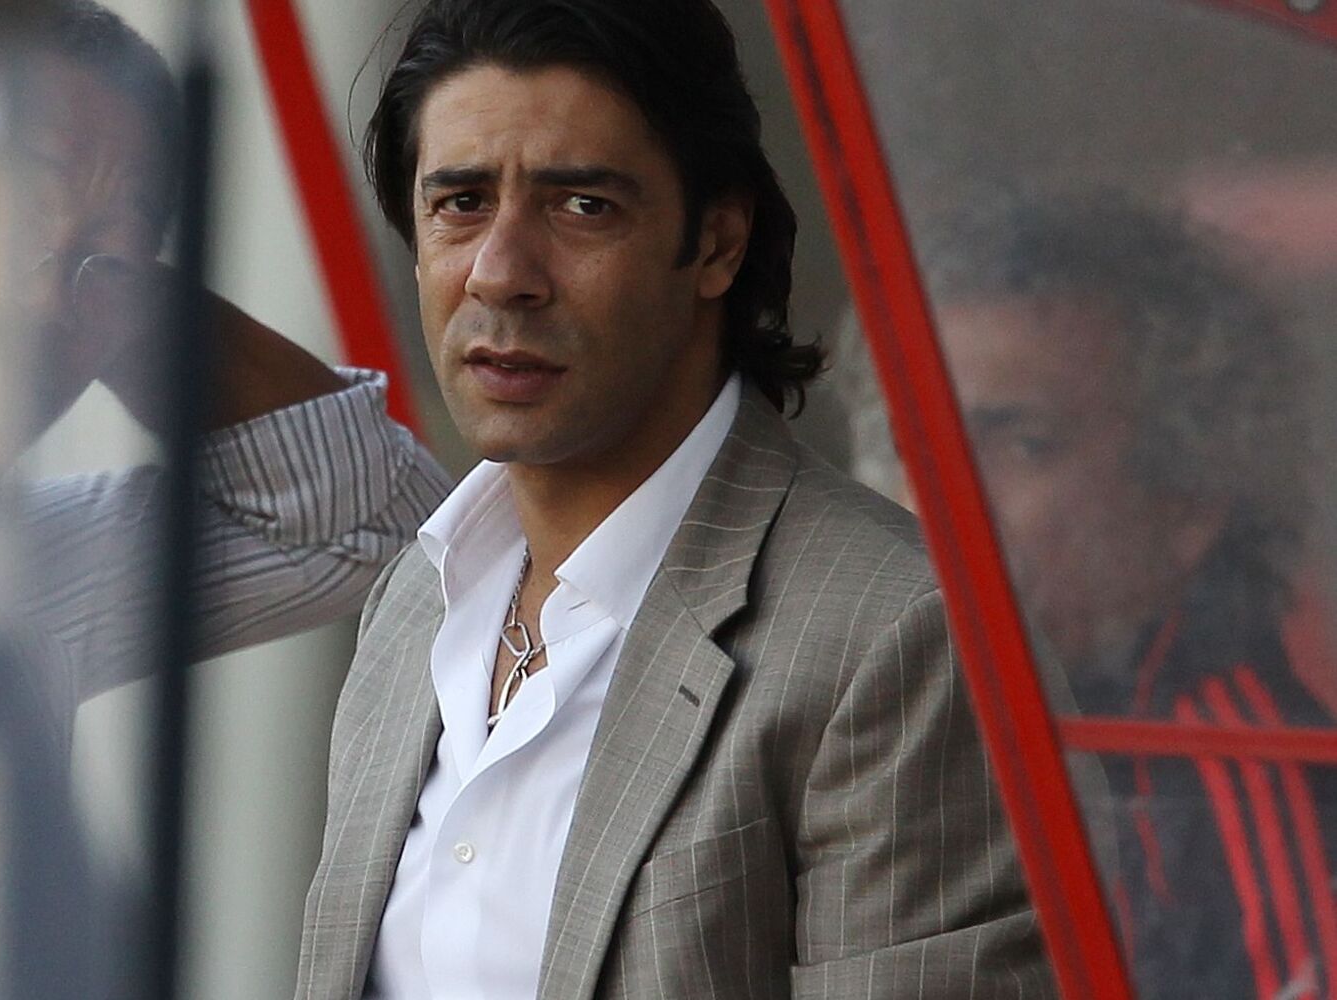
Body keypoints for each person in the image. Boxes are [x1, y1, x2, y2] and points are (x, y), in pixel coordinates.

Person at [295, 2, 1053, 997]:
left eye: (582, 206)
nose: (501, 272)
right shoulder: (417, 599)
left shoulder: (894, 635)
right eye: (462, 203)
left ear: (718, 243)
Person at [0, 0, 451, 744]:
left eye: (101, 268)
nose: (44, 303)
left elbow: (379, 527)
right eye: (1, 210)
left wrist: (112, 279)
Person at [922, 191, 1329, 998]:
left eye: (1026, 446)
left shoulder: (1230, 782)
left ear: (1186, 499)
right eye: (915, 441)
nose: (938, 495)